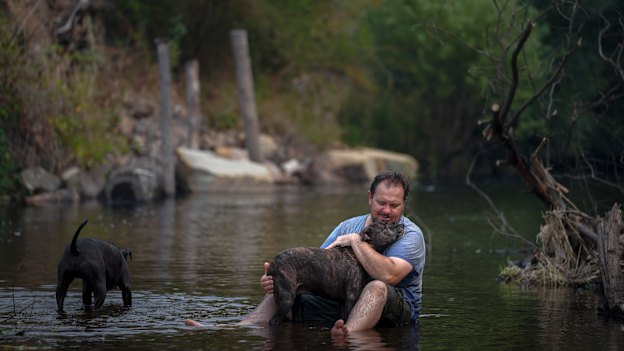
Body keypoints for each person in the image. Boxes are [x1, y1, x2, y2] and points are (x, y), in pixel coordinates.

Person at [239, 170, 426, 335]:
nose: (386, 210)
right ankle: (245, 326)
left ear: (404, 203)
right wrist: (275, 279)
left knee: (376, 286)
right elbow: (318, 266)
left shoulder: (410, 235)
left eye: (394, 205)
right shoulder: (348, 226)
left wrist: (356, 241)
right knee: (287, 283)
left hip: (393, 311)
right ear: (370, 197)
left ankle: (348, 333)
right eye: (381, 202)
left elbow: (389, 276)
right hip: (343, 304)